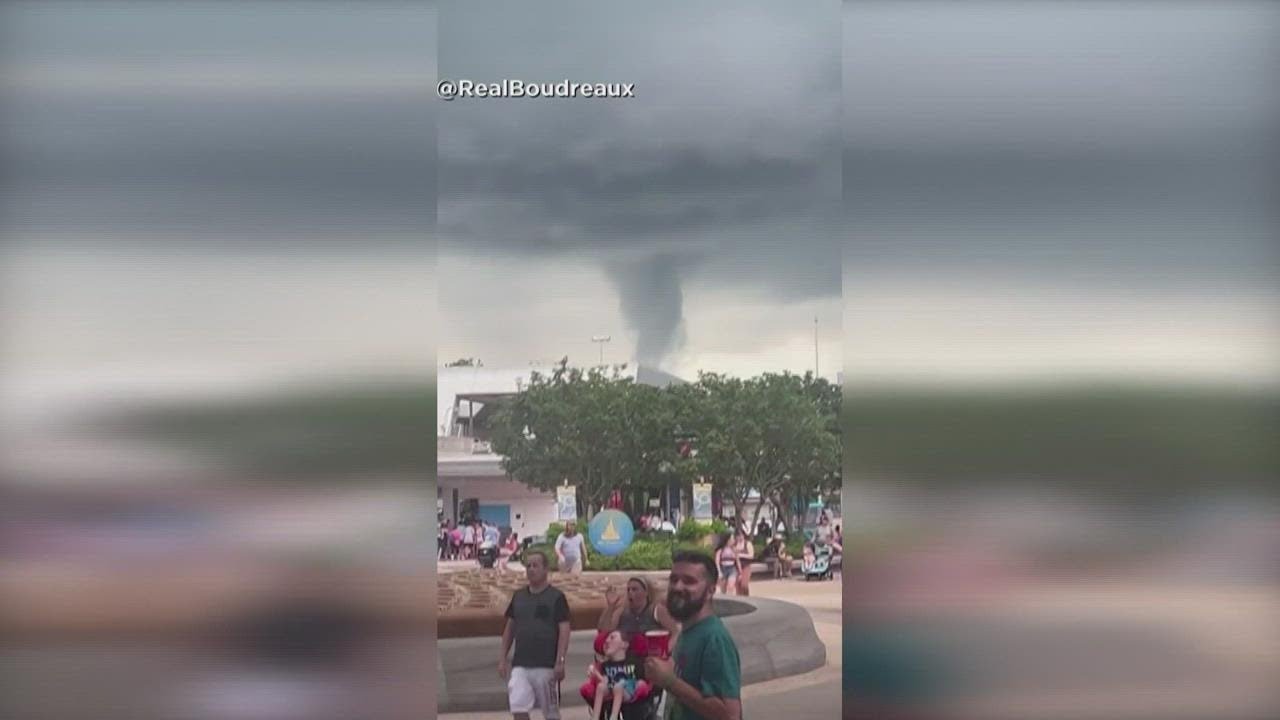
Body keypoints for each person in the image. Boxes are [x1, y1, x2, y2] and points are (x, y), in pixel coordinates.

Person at [644, 551, 742, 720]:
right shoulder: (688, 631)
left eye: (689, 581)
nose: (677, 587)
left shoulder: (714, 638)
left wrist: (670, 682)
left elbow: (731, 715)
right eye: (674, 580)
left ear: (710, 591)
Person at [499, 551, 571, 720]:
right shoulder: (518, 597)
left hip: (546, 665)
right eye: (528, 566)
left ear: (546, 569)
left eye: (535, 565)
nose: (531, 569)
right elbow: (510, 628)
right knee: (518, 706)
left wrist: (560, 661)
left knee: (551, 713)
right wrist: (503, 658)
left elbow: (564, 630)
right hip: (521, 665)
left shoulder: (557, 597)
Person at [585, 630, 653, 720]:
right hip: (611, 688)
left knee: (618, 686)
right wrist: (596, 674)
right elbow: (605, 681)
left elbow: (642, 679)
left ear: (624, 644)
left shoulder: (633, 661)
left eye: (612, 637)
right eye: (607, 638)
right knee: (601, 686)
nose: (607, 641)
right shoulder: (606, 665)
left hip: (629, 690)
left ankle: (613, 717)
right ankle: (596, 717)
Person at [596, 577, 680, 647]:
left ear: (646, 592)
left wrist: (665, 652)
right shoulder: (622, 611)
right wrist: (611, 607)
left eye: (635, 589)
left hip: (651, 658)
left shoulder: (657, 610)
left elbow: (675, 633)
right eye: (628, 590)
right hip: (627, 658)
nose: (630, 592)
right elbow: (604, 631)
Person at [730, 531, 755, 597]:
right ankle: (740, 599)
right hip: (736, 567)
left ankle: (747, 597)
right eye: (738, 536)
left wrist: (741, 555)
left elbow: (751, 555)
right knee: (738, 585)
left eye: (741, 535)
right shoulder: (734, 545)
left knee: (744, 585)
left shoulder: (748, 544)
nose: (740, 537)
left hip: (746, 566)